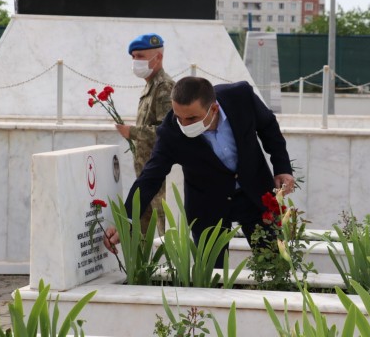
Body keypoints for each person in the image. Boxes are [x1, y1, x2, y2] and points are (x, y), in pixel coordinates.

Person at [105, 76, 295, 267]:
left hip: (255, 195)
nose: (184, 124)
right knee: (211, 278)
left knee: (276, 265)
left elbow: (268, 126)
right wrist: (126, 221)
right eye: (178, 117)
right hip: (208, 206)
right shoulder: (171, 132)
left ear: (213, 108)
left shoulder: (240, 96)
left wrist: (282, 168)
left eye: (192, 118)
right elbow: (150, 178)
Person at [114, 33, 175, 235]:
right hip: (146, 173)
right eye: (133, 57)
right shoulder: (151, 85)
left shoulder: (164, 86)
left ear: (158, 57)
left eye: (140, 56)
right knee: (141, 236)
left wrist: (131, 132)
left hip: (159, 177)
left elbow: (166, 131)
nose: (135, 61)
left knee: (164, 232)